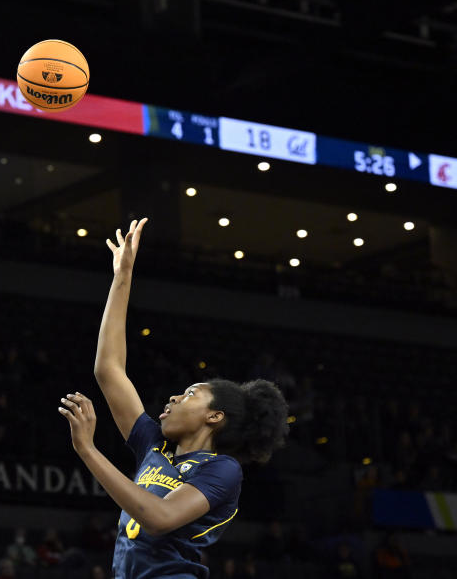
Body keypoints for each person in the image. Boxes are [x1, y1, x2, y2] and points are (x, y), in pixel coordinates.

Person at [58, 218, 289, 579]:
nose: (175, 397)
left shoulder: (221, 469)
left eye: (191, 394)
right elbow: (109, 369)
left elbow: (158, 517)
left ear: (215, 416)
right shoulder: (154, 444)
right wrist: (123, 276)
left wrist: (88, 449)